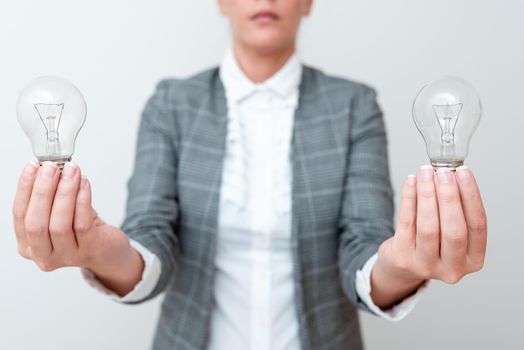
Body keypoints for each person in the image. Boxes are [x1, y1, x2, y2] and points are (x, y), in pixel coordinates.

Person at [11, 0, 488, 349]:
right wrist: (97, 249)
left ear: (308, 3)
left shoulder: (353, 106)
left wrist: (404, 264)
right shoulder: (171, 105)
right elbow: (151, 244)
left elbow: (363, 250)